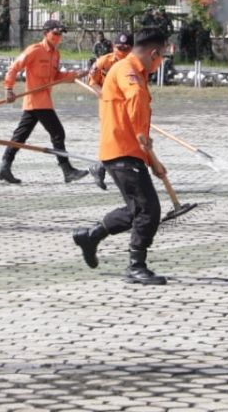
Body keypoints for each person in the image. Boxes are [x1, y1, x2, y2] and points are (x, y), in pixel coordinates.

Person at [71, 28, 170, 286]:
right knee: (148, 210)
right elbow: (134, 98)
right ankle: (136, 265)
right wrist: (140, 135)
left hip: (128, 151)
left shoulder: (135, 71)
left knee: (136, 208)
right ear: (154, 53)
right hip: (121, 151)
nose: (160, 64)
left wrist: (153, 161)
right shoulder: (128, 70)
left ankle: (91, 236)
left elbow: (135, 121)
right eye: (161, 58)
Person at [0, 19, 87, 185]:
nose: (58, 37)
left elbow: (56, 77)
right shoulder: (34, 50)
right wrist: (8, 89)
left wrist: (75, 75)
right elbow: (14, 67)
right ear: (46, 33)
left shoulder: (55, 54)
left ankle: (5, 167)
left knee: (20, 135)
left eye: (60, 34)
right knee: (58, 133)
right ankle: (67, 171)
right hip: (37, 101)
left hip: (43, 101)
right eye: (55, 33)